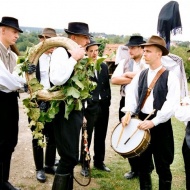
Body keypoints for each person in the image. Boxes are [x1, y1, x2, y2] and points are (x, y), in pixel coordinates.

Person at [121, 35, 180, 190]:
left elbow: (171, 104)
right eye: (144, 50)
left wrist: (154, 121)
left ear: (159, 53)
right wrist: (128, 112)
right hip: (141, 123)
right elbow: (132, 96)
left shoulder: (171, 77)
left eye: (148, 51)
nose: (144, 54)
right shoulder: (141, 74)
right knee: (143, 166)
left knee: (163, 167)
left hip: (160, 126)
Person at [49, 22, 91, 190]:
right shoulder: (61, 51)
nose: (88, 41)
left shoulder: (78, 54)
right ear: (74, 37)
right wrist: (73, 58)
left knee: (71, 156)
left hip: (75, 110)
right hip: (63, 110)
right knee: (68, 157)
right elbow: (57, 79)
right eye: (85, 37)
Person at [111, 36, 148, 179]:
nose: (130, 51)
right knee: (127, 132)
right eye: (129, 48)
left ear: (141, 48)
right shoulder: (124, 62)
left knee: (142, 134)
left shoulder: (147, 62)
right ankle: (134, 169)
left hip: (143, 104)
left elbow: (151, 78)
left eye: (133, 48)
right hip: (126, 102)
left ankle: (145, 167)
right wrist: (135, 78)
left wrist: (131, 75)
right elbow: (114, 79)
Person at [79, 40, 111, 177]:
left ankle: (99, 161)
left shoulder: (103, 66)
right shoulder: (83, 67)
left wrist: (107, 102)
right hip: (89, 108)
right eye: (91, 51)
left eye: (96, 51)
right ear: (86, 52)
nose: (94, 53)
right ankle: (85, 164)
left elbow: (106, 86)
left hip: (103, 106)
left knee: (101, 135)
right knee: (87, 136)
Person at [0, 16, 25, 190]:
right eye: (14, 31)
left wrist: (23, 79)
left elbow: (19, 77)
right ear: (2, 30)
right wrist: (23, 83)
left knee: (10, 140)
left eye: (18, 33)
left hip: (10, 100)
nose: (17, 36)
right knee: (0, 141)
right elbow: (6, 80)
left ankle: (4, 180)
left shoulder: (13, 55)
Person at [30, 28, 57, 183]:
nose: (50, 43)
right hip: (37, 102)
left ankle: (49, 165)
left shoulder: (57, 58)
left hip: (53, 101)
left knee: (52, 136)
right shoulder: (33, 58)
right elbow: (23, 80)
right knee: (37, 137)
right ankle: (39, 168)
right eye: (47, 39)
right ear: (42, 40)